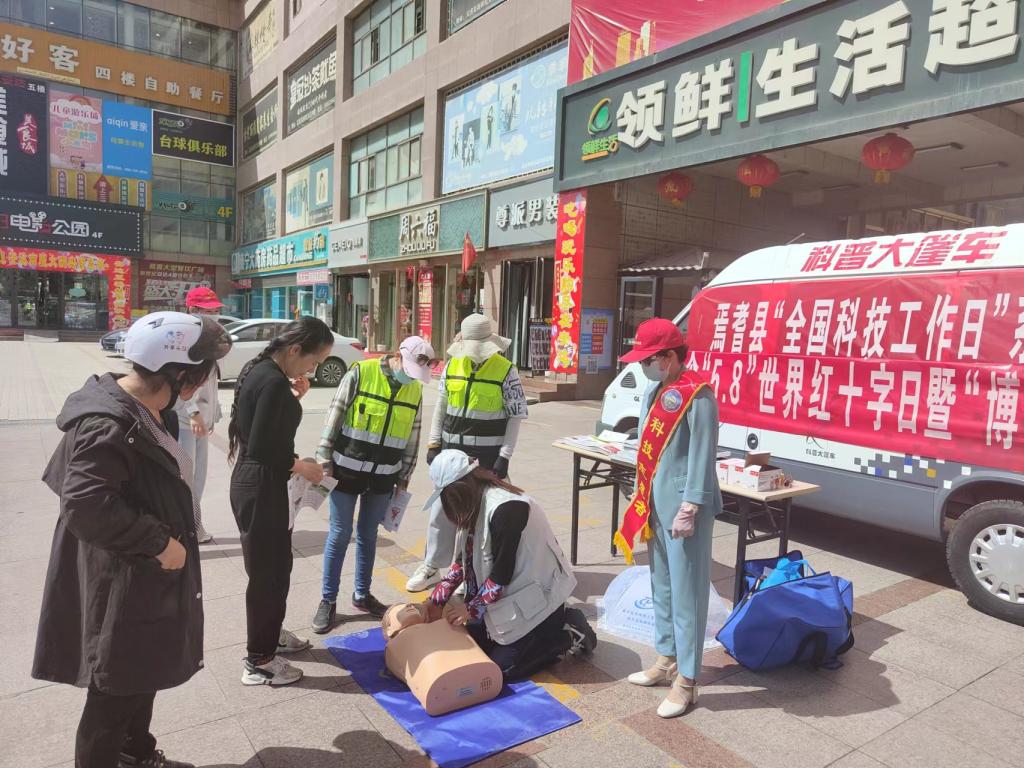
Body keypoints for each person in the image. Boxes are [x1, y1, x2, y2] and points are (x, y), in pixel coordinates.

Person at [33, 311, 232, 768]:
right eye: (201, 374)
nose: (202, 385)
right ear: (179, 375)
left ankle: (136, 753)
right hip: (123, 577)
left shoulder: (150, 411)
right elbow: (84, 504)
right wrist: (159, 543)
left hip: (143, 575)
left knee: (141, 673)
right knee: (113, 695)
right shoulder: (109, 423)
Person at [616, 318, 720, 718]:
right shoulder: (654, 390)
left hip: (684, 508)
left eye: (648, 360)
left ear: (669, 357)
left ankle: (688, 679)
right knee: (660, 583)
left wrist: (691, 506)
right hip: (654, 504)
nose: (644, 366)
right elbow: (647, 446)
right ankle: (666, 658)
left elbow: (702, 454)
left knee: (687, 592)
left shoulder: (698, 395)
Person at [423, 450, 596, 681]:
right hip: (508, 599)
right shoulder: (474, 505)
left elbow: (500, 576)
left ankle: (568, 632)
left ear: (459, 491)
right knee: (473, 647)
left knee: (499, 671)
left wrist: (469, 609)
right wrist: (436, 600)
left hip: (538, 600)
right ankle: (538, 636)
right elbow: (463, 563)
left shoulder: (507, 510)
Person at [228, 316, 335, 687]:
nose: (313, 369)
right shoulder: (272, 381)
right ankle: (259, 660)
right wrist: (304, 468)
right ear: (294, 350)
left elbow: (259, 426)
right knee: (267, 575)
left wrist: (293, 400)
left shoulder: (261, 370)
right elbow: (263, 447)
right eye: (314, 361)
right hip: (261, 485)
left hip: (258, 483)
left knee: (276, 568)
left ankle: (270, 635)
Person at [310, 336, 436, 633]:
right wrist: (324, 459)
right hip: (346, 469)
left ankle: (362, 594)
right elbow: (335, 415)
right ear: (397, 356)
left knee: (368, 534)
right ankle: (328, 599)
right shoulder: (361, 373)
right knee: (340, 534)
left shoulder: (414, 389)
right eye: (409, 370)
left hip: (385, 474)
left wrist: (404, 477)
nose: (411, 378)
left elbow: (413, 435)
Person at [406, 314, 528, 592]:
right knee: (441, 509)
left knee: (480, 516)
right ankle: (432, 566)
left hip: (487, 456)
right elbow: (441, 404)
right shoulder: (453, 365)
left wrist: (505, 456)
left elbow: (515, 416)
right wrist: (433, 443)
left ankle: (468, 571)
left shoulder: (506, 371)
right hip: (451, 453)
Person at [174, 286, 225, 543]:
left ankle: (194, 525)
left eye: (215, 310)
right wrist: (194, 413)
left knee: (199, 477)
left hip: (201, 421)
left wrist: (213, 414)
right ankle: (185, 528)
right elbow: (183, 383)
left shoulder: (208, 338)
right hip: (185, 420)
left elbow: (211, 385)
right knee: (186, 477)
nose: (214, 314)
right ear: (192, 309)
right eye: (208, 310)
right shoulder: (185, 340)